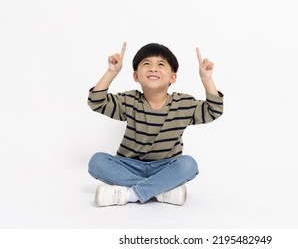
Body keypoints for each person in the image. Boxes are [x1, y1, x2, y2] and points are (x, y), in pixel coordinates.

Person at [87, 42, 224, 206]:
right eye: (146, 64)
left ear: (172, 77)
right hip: (129, 165)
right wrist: (111, 72)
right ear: (136, 76)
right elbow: (96, 101)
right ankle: (162, 189)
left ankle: (131, 194)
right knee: (97, 161)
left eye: (161, 64)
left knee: (189, 164)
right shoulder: (129, 101)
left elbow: (213, 110)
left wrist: (206, 79)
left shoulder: (182, 103)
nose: (153, 68)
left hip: (165, 166)